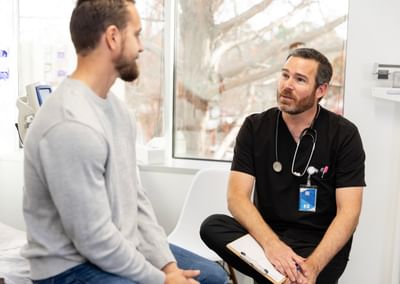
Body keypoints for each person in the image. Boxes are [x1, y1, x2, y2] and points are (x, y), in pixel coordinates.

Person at [21, 1, 228, 284]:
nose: (142, 47)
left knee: (214, 277)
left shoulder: (118, 112)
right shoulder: (69, 123)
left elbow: (136, 200)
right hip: (69, 268)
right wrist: (162, 280)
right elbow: (92, 240)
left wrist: (167, 266)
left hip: (118, 246)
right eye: (138, 34)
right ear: (113, 37)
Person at [200, 48, 365, 284]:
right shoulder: (255, 127)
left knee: (306, 269)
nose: (287, 85)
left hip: (318, 243)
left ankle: (286, 277)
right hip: (267, 238)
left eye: (299, 80)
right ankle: (287, 278)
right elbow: (237, 198)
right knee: (213, 226)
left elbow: (349, 212)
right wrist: (272, 246)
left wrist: (314, 266)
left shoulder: (344, 134)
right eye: (285, 75)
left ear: (321, 90)